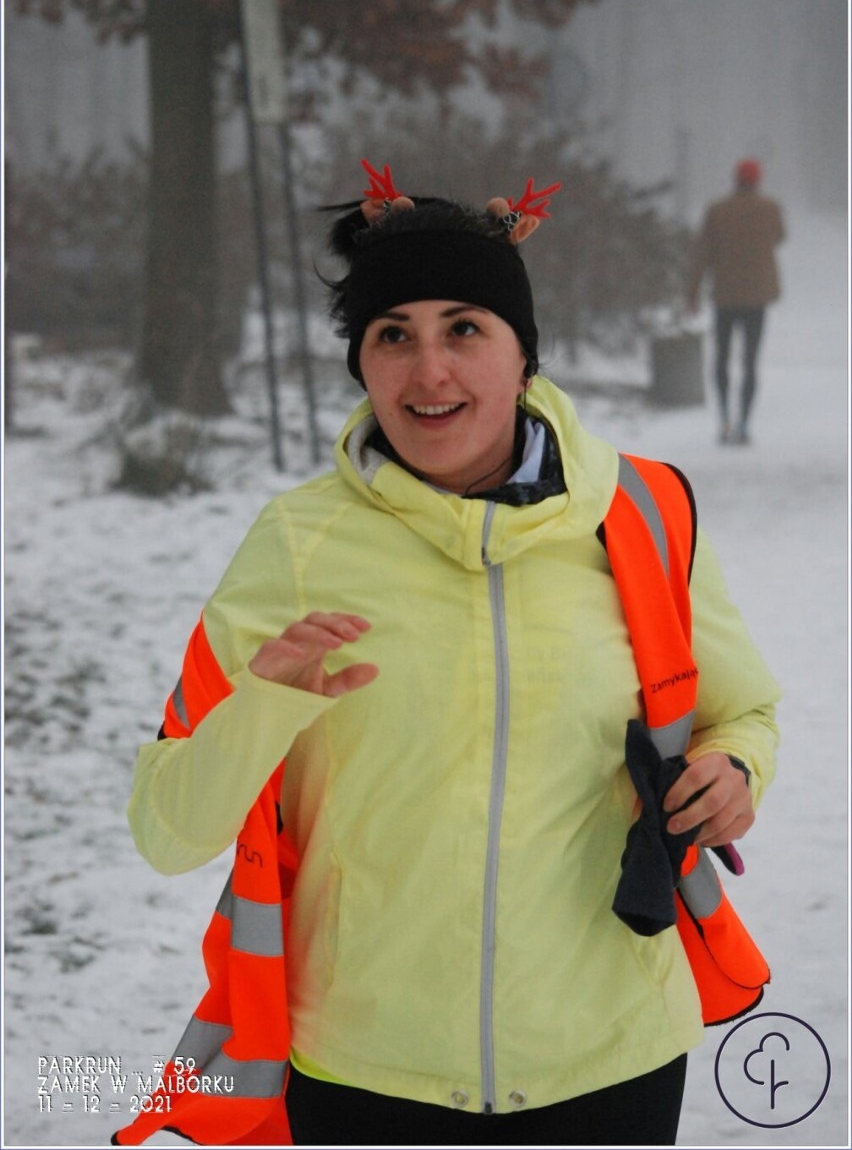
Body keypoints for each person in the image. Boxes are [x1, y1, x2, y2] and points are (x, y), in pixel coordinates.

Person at [116, 161, 780, 1148]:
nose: (429, 372)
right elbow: (166, 826)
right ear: (363, 362)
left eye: (464, 328)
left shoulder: (643, 513)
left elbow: (744, 714)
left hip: (614, 1063)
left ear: (523, 356)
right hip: (365, 1074)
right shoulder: (297, 544)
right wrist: (264, 702)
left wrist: (735, 771)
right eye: (394, 336)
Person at [686, 158, 785, 445]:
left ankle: (724, 418)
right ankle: (744, 422)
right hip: (757, 297)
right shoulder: (771, 210)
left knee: (722, 360)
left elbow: (702, 254)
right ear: (758, 180)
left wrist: (692, 293)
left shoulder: (717, 211)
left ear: (735, 180)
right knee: (750, 362)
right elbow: (780, 237)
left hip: (725, 297)